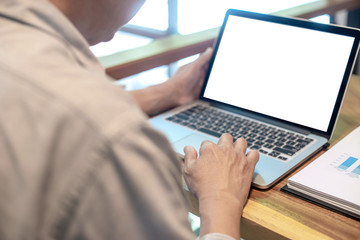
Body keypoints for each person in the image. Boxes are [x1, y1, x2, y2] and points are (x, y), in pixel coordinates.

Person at [0, 0, 259, 239]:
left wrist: (165, 94)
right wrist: (221, 200)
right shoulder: (114, 142)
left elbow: (46, 101)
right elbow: (85, 119)